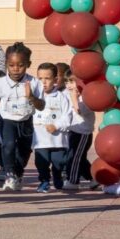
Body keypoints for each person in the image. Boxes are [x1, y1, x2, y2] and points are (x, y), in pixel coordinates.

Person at [0, 43, 45, 191]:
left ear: (28, 64)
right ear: (6, 65)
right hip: (7, 119)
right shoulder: (0, 83)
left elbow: (41, 106)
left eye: (20, 65)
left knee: (24, 150)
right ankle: (9, 175)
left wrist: (31, 97)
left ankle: (18, 173)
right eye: (12, 65)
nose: (16, 69)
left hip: (26, 119)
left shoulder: (34, 83)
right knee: (8, 145)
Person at [32, 63, 73, 193]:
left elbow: (68, 116)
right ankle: (44, 181)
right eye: (40, 78)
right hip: (40, 140)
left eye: (47, 78)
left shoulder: (62, 97)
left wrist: (56, 125)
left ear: (55, 80)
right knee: (41, 162)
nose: (43, 82)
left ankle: (57, 175)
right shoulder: (34, 97)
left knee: (59, 161)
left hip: (58, 140)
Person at [65, 71, 98, 190]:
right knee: (80, 158)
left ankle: (73, 181)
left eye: (72, 82)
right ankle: (93, 178)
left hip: (82, 134)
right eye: (67, 82)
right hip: (73, 131)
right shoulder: (72, 95)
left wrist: (74, 97)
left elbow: (79, 111)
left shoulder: (86, 98)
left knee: (74, 157)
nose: (69, 85)